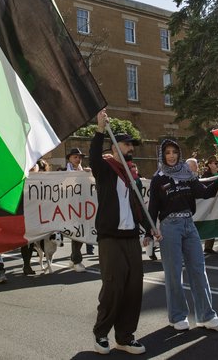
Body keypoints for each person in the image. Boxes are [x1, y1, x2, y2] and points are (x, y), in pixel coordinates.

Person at [90, 109, 153, 355]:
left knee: (133, 288)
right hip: (110, 238)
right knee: (113, 287)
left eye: (132, 145)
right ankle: (101, 334)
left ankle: (125, 337)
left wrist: (149, 228)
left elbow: (138, 206)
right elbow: (94, 156)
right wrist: (99, 130)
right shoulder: (105, 170)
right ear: (116, 147)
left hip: (130, 239)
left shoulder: (133, 176)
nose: (131, 148)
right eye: (127, 144)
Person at [148, 139, 218, 332]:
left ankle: (206, 316)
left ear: (179, 154)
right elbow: (153, 207)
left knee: (198, 270)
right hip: (169, 227)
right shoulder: (158, 178)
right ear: (162, 155)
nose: (171, 156)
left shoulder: (188, 175)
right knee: (174, 273)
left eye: (174, 152)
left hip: (189, 225)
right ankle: (177, 316)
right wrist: (149, 231)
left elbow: (206, 193)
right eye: (167, 152)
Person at [65, 147, 93, 267]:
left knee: (82, 232)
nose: (78, 159)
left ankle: (74, 258)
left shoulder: (85, 171)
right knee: (76, 233)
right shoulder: (62, 171)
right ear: (69, 159)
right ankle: (77, 260)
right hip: (69, 207)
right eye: (75, 157)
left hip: (83, 207)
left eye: (79, 157)